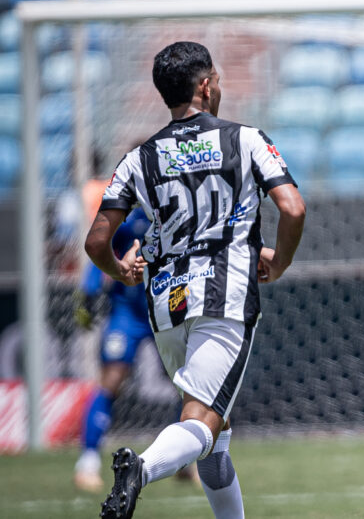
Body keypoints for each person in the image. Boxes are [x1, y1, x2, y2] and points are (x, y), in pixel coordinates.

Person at [86, 41, 306, 519]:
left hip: (167, 305)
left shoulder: (139, 158)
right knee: (202, 422)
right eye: (218, 80)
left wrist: (120, 270)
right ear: (205, 87)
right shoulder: (245, 139)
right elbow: (292, 208)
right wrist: (281, 262)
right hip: (223, 295)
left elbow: (96, 241)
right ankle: (141, 469)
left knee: (215, 433)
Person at [73, 206, 198, 492]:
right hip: (127, 312)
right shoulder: (130, 214)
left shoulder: (182, 207)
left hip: (168, 307)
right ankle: (87, 462)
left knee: (188, 384)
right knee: (111, 380)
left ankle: (184, 461)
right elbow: (102, 247)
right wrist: (90, 291)